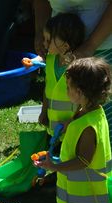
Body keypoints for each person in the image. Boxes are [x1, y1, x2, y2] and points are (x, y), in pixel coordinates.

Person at [34, 57, 112, 203]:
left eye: (68, 87)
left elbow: (83, 161)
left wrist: (54, 166)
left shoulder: (88, 126)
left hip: (88, 186)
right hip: (82, 184)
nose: (66, 91)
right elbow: (78, 123)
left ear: (80, 91)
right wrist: (69, 124)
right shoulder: (87, 111)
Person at [38, 13, 85, 142]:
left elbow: (88, 103)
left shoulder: (78, 68)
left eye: (48, 40)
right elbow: (48, 88)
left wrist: (71, 122)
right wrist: (44, 111)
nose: (44, 44)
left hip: (74, 133)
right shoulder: (50, 60)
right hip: (54, 131)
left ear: (65, 46)